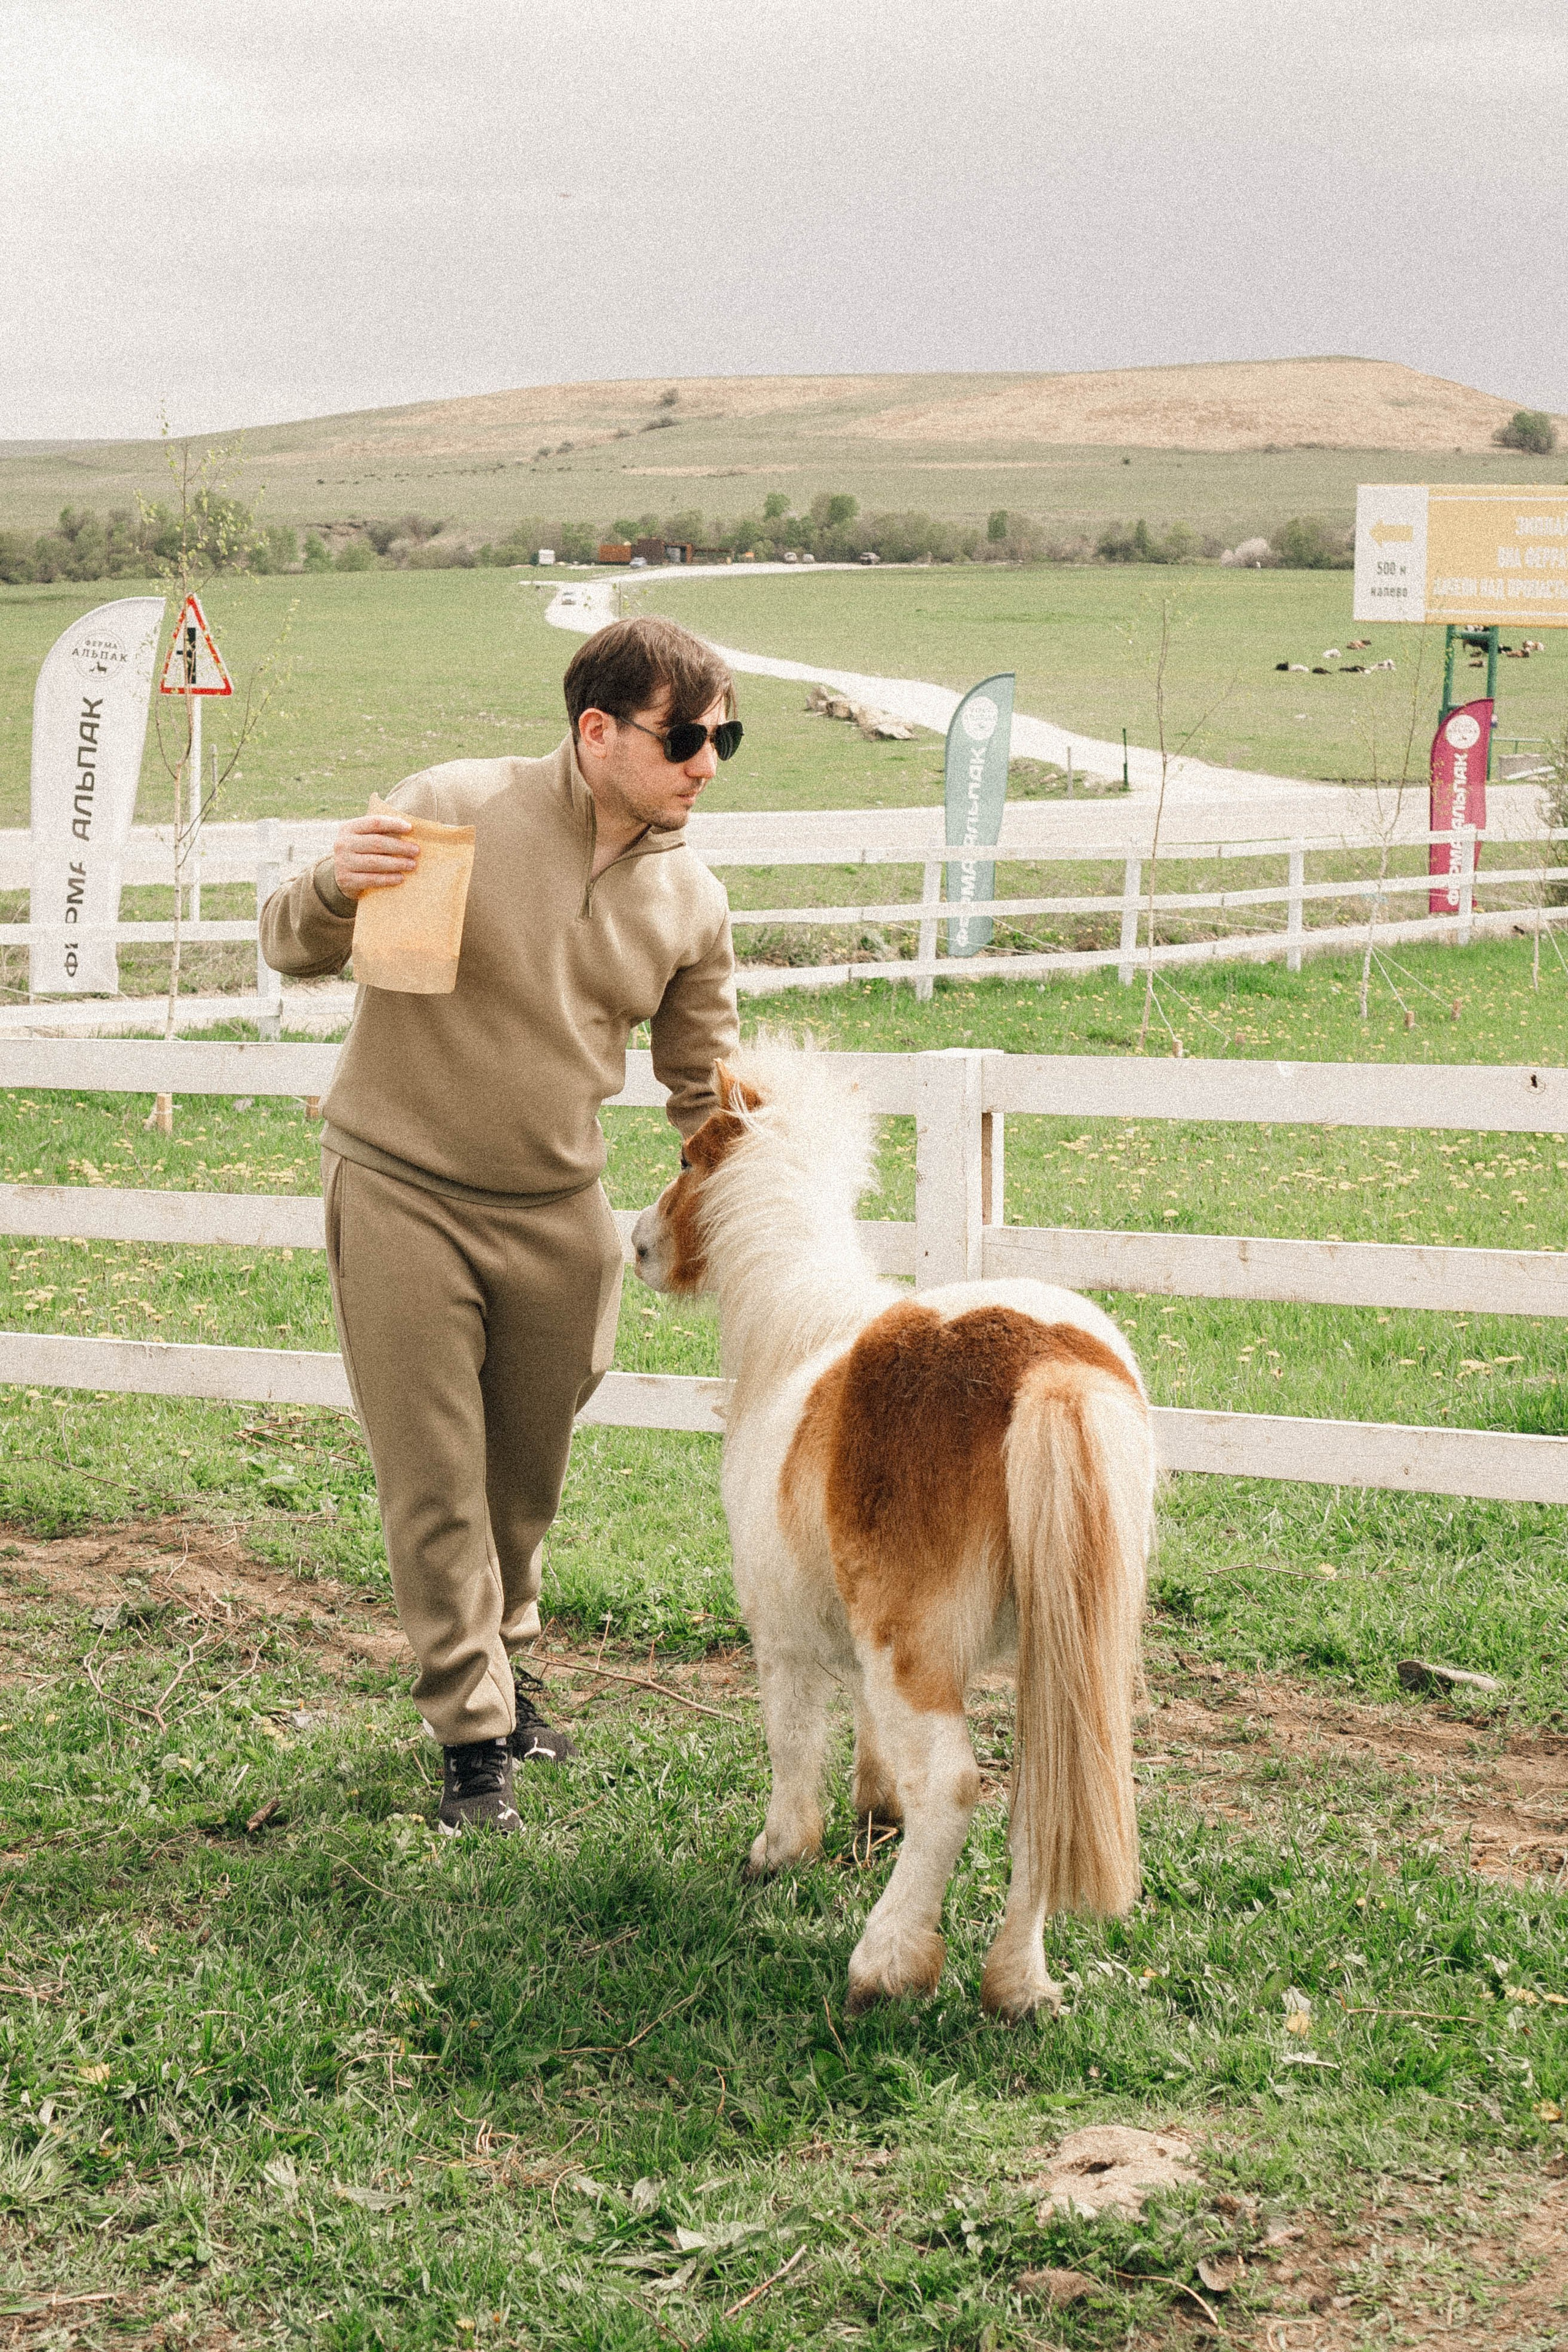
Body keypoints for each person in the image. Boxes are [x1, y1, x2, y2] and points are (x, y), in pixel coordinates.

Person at [260, 616, 741, 1831]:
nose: (707, 762)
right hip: (402, 1190)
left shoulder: (690, 899)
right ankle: (473, 1743)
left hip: (557, 1217)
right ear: (597, 731)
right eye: (683, 736)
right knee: (434, 1484)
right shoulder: (452, 812)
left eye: (725, 737)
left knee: (520, 1489)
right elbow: (295, 945)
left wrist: (762, 1174)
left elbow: (704, 1091)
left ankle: (508, 1665)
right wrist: (329, 889)